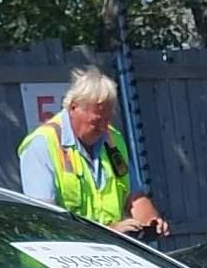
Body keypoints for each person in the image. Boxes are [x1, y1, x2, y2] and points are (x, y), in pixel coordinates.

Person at [18, 68, 168, 237]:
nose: (104, 127)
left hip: (111, 255)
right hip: (61, 259)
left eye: (108, 119)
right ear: (74, 107)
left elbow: (134, 197)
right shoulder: (42, 145)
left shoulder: (113, 139)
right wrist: (108, 232)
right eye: (96, 121)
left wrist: (152, 222)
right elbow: (44, 222)